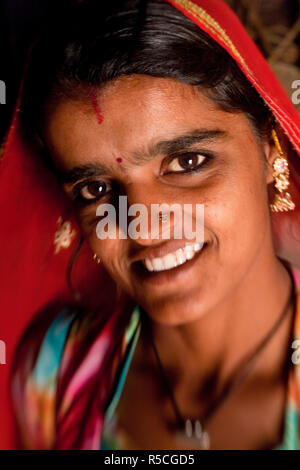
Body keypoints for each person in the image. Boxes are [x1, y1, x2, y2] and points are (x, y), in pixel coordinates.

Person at [2, 0, 300, 450]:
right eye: (95, 189)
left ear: (269, 148)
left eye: (186, 161)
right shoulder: (57, 367)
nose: (141, 228)